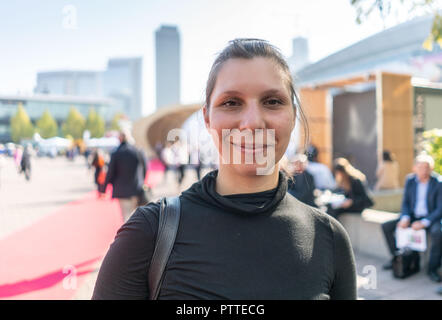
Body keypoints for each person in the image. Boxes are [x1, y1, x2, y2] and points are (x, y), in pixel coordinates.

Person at [92, 38, 356, 300]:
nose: (252, 122)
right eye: (231, 102)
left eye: (272, 101)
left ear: (293, 116)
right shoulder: (147, 234)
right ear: (207, 118)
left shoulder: (329, 239)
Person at [381, 154, 442, 282]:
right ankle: (398, 258)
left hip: (430, 218)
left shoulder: (438, 182)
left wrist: (424, 223)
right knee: (386, 226)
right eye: (420, 167)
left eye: (426, 167)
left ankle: (432, 269)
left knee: (438, 233)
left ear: (431, 169)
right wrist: (405, 217)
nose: (423, 170)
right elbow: (406, 203)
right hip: (413, 216)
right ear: (415, 168)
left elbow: (440, 209)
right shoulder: (410, 180)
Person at [102, 130, 147, 222]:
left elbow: (110, 172)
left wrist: (104, 188)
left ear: (120, 139)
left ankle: (129, 234)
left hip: (121, 190)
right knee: (135, 214)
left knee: (126, 216)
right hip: (136, 188)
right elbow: (145, 168)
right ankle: (135, 233)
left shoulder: (116, 153)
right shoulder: (138, 151)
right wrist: (142, 181)